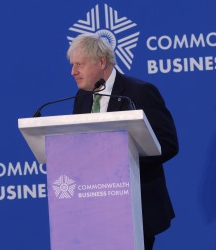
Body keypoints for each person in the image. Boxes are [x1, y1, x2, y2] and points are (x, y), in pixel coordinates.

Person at [67, 33, 179, 250]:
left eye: (79, 64)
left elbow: (168, 143)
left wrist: (123, 162)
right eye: (73, 65)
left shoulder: (140, 92)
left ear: (101, 62)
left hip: (137, 205)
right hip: (95, 209)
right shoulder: (82, 98)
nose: (73, 72)